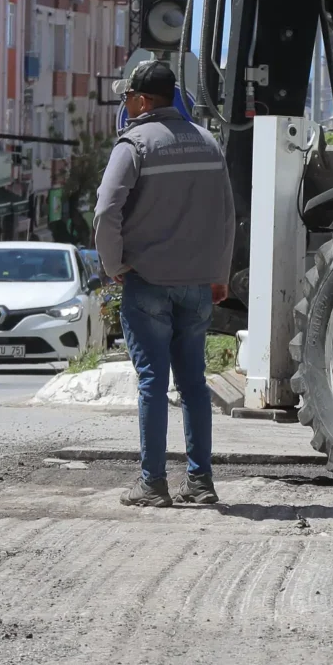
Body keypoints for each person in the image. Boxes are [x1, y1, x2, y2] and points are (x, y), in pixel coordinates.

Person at [94, 57, 235, 508]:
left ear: (140, 99)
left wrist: (114, 265)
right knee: (194, 383)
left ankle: (152, 483)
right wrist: (219, 274)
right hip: (197, 284)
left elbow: (105, 213)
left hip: (149, 281)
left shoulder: (133, 145)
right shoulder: (208, 143)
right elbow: (227, 216)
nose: (128, 104)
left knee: (153, 381)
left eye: (128, 97)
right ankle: (200, 482)